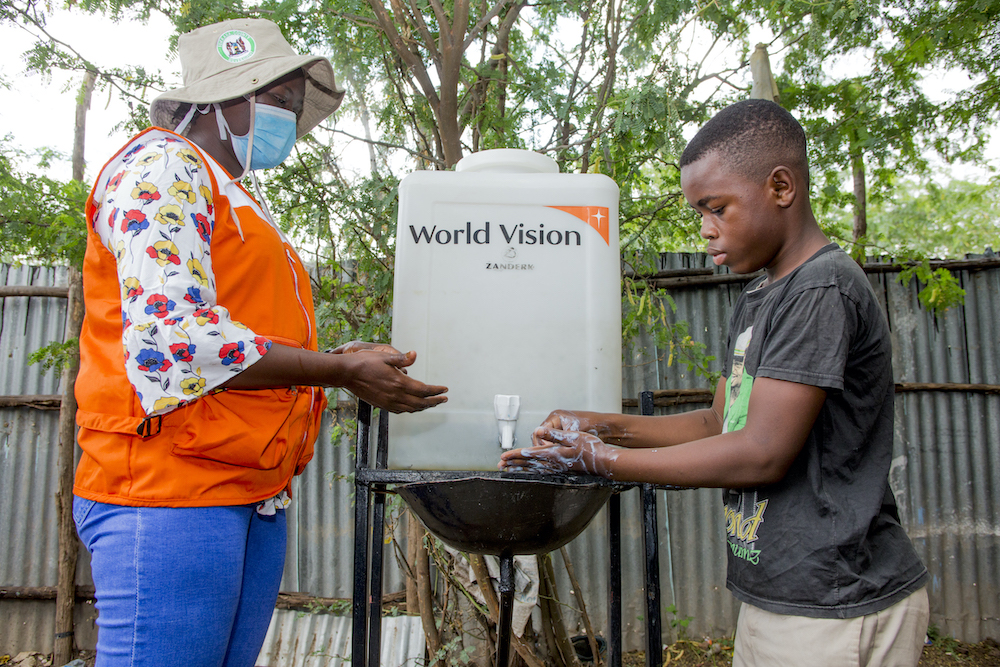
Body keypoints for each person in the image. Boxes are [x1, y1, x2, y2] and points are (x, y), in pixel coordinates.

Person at [72, 18, 447, 667]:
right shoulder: (161, 166)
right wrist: (339, 371)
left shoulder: (231, 195)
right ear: (229, 98)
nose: (292, 120)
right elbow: (177, 339)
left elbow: (243, 334)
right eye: (281, 102)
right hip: (167, 489)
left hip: (243, 491)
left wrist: (343, 357)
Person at [500, 99, 929, 667]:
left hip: (836, 601)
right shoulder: (760, 294)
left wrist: (598, 459)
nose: (705, 230)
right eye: (699, 213)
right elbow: (719, 424)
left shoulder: (821, 289)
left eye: (717, 208)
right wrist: (598, 424)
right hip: (779, 593)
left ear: (781, 187)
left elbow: (760, 454)